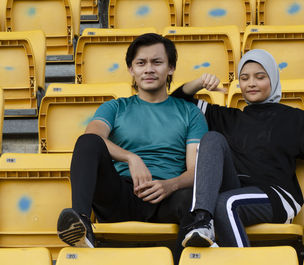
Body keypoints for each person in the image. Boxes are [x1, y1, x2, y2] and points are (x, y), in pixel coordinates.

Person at [171, 49, 304, 247]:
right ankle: (202, 221)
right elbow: (176, 104)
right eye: (245, 78)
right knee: (211, 139)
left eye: (260, 77)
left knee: (224, 203)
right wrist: (199, 83)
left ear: (272, 79)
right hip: (237, 189)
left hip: (276, 194)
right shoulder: (229, 118)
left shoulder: (294, 118)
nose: (252, 83)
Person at [56, 33, 208, 259]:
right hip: (121, 194)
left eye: (157, 62)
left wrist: (170, 185)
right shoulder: (115, 107)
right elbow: (93, 136)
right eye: (141, 63)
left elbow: (196, 170)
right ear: (131, 69)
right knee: (87, 142)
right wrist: (131, 158)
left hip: (166, 198)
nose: (148, 69)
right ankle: (82, 227)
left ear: (171, 68)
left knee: (190, 200)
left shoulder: (191, 113)